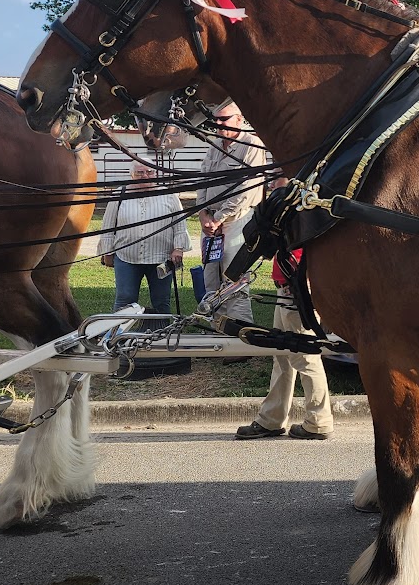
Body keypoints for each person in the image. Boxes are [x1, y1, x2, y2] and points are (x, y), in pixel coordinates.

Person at [234, 247, 334, 440]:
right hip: (289, 286)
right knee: (282, 356)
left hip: (295, 286)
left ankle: (318, 421)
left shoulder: (303, 219)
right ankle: (272, 418)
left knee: (305, 357)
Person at [195, 101, 269, 326]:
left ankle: (240, 335)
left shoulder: (252, 145)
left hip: (238, 220)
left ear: (239, 119)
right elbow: (202, 181)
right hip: (212, 222)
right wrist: (203, 215)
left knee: (233, 280)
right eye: (215, 120)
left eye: (223, 119)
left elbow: (245, 192)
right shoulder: (216, 145)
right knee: (211, 280)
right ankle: (218, 330)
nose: (218, 124)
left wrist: (217, 219)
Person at [99, 162, 188, 313]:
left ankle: (163, 333)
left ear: (156, 174)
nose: (146, 176)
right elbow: (108, 227)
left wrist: (178, 248)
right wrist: (107, 252)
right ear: (132, 175)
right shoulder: (119, 195)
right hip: (127, 257)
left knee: (161, 300)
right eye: (140, 173)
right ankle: (118, 334)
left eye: (150, 172)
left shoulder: (169, 196)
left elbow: (180, 225)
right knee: (124, 299)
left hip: (161, 258)